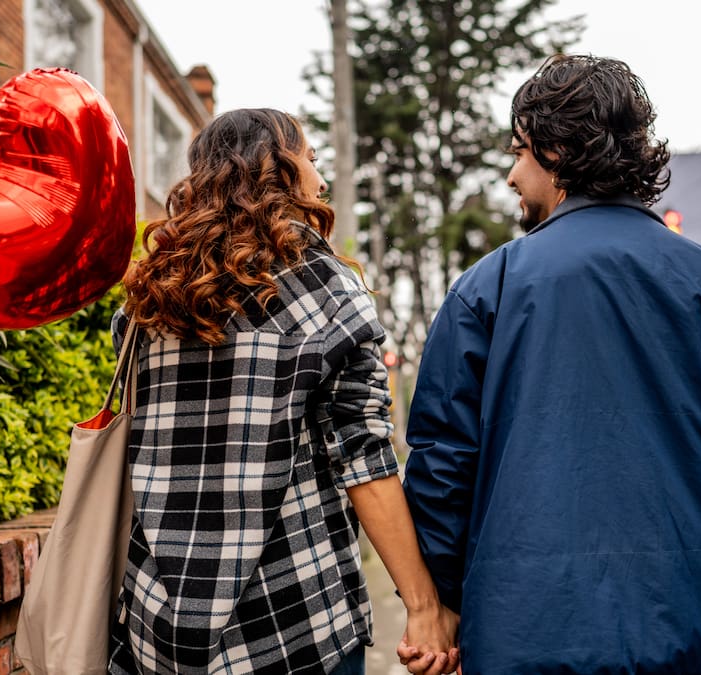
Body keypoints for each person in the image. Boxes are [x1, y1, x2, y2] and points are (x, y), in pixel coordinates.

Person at [398, 54, 701, 674]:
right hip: (690, 633)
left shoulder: (487, 289)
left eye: (517, 152)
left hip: (523, 636)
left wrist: (446, 606)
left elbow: (442, 472)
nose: (511, 175)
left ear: (554, 150)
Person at [106, 108, 459, 675]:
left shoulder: (148, 303)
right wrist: (423, 607)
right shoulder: (323, 290)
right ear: (279, 171)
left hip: (159, 626)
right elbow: (364, 458)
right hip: (292, 618)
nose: (320, 178)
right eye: (311, 160)